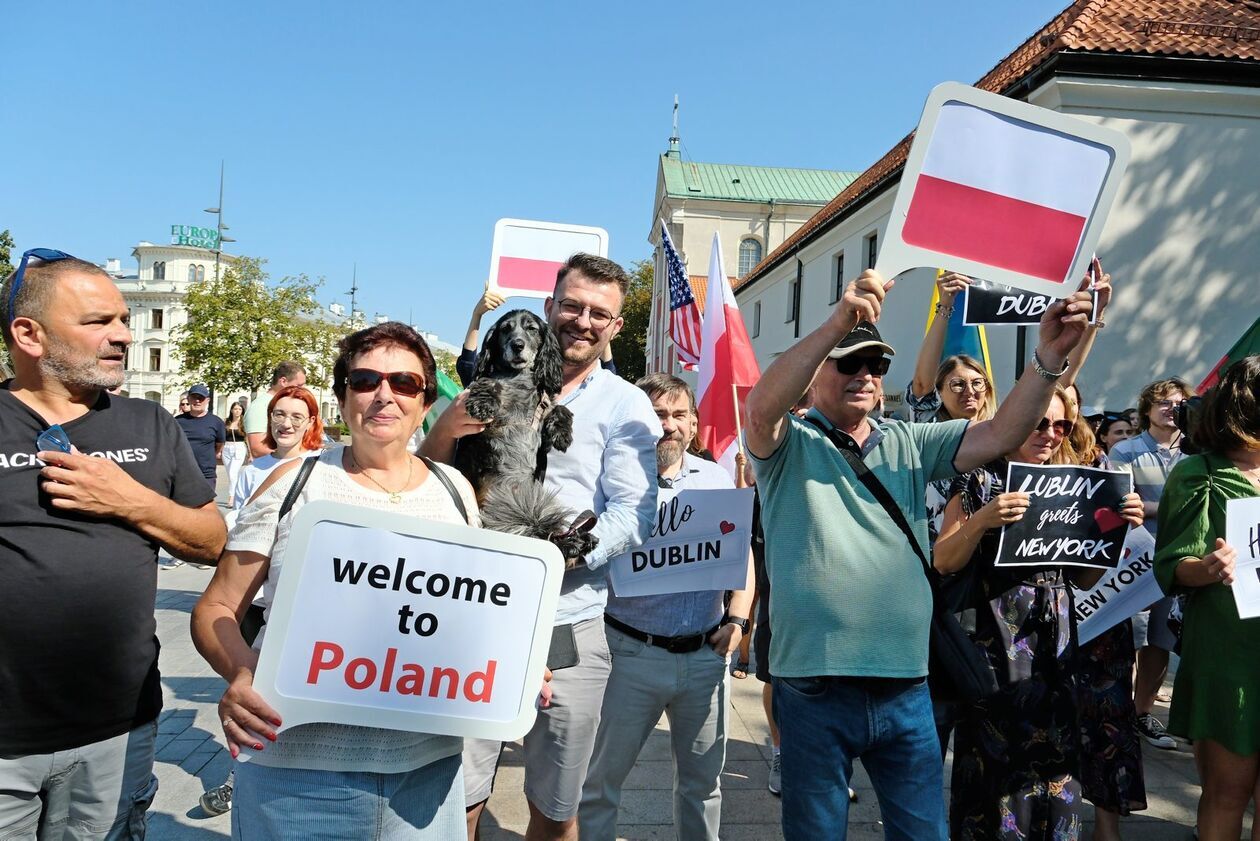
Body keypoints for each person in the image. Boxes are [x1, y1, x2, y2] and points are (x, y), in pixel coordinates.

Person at [743, 267, 1094, 839]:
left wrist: (1048, 360)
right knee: (815, 833)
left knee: (922, 834)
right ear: (815, 375)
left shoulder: (907, 438)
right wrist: (838, 322)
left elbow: (1003, 433)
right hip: (814, 684)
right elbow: (760, 408)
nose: (865, 375)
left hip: (906, 682)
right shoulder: (786, 443)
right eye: (848, 361)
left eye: (876, 366)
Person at [191, 322, 480, 838]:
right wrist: (241, 671)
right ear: (343, 396)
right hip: (295, 775)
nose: (384, 395)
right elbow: (216, 608)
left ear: (425, 402)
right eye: (365, 380)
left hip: (427, 778)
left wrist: (513, 671)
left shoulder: (455, 490)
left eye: (405, 384)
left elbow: (474, 616)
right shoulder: (295, 482)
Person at [422, 253, 660, 841]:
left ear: (616, 327)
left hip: (568, 616)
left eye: (598, 313)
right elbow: (428, 476)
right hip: (472, 613)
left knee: (556, 809)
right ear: (550, 307)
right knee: (457, 796)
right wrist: (446, 429)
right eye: (571, 306)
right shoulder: (484, 390)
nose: (582, 320)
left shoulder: (625, 404)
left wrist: (568, 551)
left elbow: (635, 514)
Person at [0, 250, 226, 838]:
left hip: (117, 726)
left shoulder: (149, 424)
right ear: (29, 334)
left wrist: (130, 501)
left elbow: (211, 541)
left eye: (124, 320)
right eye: (99, 322)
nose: (123, 335)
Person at [933, 386, 1143, 840]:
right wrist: (984, 520)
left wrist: (1116, 531)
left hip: (1059, 641)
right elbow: (944, 559)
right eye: (1039, 422)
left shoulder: (1075, 484)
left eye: (1061, 425)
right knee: (994, 761)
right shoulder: (982, 478)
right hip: (994, 638)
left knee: (1058, 763)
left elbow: (1083, 580)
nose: (1049, 433)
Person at [578, 374, 754, 841]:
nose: (668, 426)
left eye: (679, 415)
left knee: (703, 786)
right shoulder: (609, 486)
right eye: (657, 414)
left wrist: (738, 620)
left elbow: (743, 559)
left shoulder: (717, 478)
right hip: (629, 655)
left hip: (704, 659)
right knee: (599, 784)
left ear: (694, 425)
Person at [198, 386, 325, 817]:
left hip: (289, 603)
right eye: (277, 414)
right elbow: (241, 529)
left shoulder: (321, 469)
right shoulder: (256, 469)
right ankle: (243, 774)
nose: (284, 422)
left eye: (295, 415)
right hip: (253, 600)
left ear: (311, 422)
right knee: (253, 686)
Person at [1153, 356, 1260, 841]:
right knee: (1227, 793)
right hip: (1228, 655)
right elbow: (1172, 566)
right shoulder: (1200, 472)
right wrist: (1208, 568)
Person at [1111, 376, 1192, 750]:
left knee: (1162, 640)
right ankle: (1118, 712)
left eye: (1177, 403)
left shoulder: (1197, 454)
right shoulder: (1126, 451)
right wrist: (1177, 508)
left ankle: (1143, 714)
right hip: (1137, 562)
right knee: (1131, 638)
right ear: (1146, 409)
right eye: (1162, 402)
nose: (1170, 409)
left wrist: (1154, 508)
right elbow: (1122, 504)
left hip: (1184, 561)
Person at [243, 361, 307, 458]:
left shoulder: (291, 403)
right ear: (283, 381)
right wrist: (298, 454)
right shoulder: (260, 406)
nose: (303, 390)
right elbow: (257, 449)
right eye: (299, 386)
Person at [176, 383, 225, 491]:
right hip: (182, 473)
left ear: (207, 400)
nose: (197, 401)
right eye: (194, 397)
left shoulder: (216, 422)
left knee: (204, 507)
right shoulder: (177, 421)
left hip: (206, 474)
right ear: (188, 399)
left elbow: (219, 444)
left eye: (201, 398)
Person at [223, 401, 248, 505]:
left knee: (233, 473)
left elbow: (248, 438)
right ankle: (239, 493)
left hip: (239, 448)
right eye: (235, 409)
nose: (237, 411)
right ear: (231, 410)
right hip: (227, 448)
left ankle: (231, 497)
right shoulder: (226, 422)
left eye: (239, 409)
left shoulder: (244, 423)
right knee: (230, 474)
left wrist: (250, 453)